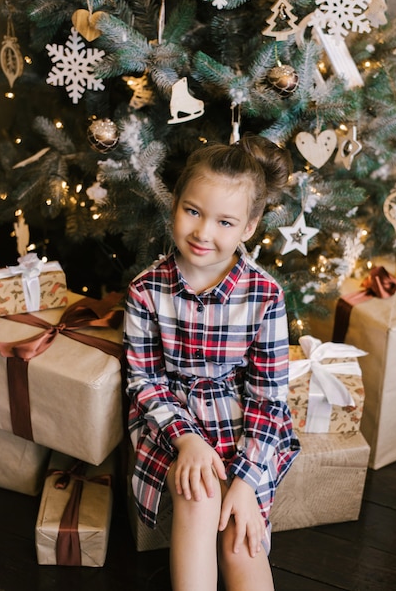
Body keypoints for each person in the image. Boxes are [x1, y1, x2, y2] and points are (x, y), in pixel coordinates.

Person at [124, 133, 300, 591]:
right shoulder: (146, 290)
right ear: (175, 204)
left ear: (249, 226)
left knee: (239, 535)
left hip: (243, 419)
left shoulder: (265, 295)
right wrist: (186, 441)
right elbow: (144, 379)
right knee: (198, 496)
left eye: (225, 221)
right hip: (173, 416)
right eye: (193, 211)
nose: (204, 233)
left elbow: (268, 396)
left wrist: (244, 480)